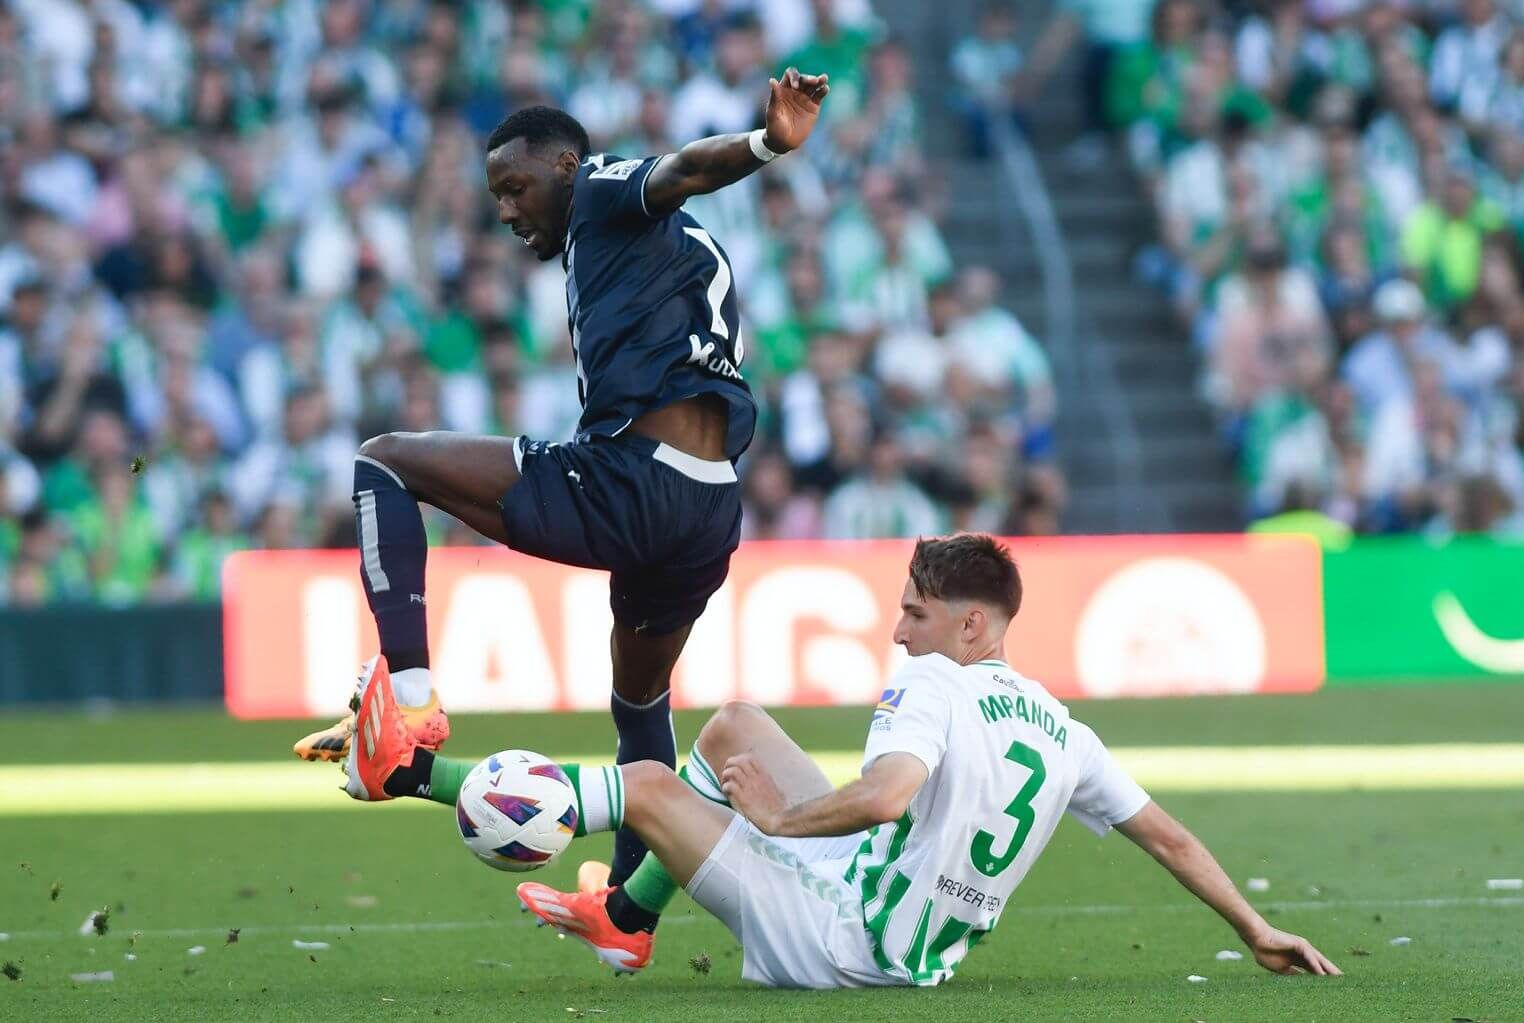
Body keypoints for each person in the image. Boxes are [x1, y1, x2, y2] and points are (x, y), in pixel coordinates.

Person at [292, 68, 833, 925]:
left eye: (515, 186)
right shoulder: (665, 248)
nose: (507, 211)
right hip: (707, 507)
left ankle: (416, 699)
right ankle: (627, 915)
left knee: (385, 461)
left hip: (634, 480)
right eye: (496, 195)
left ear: (566, 166)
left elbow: (683, 168)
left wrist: (768, 142)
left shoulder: (602, 193)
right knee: (640, 702)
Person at [350, 533, 1341, 987]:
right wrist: (1256, 927)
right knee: (733, 723)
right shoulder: (1059, 728)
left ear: (966, 624)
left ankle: (410, 773)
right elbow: (1163, 836)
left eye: (912, 611)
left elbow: (885, 795)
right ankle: (627, 920)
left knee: (649, 787)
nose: (897, 626)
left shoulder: (935, 685)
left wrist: (775, 823)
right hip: (892, 914)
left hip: (842, 941)